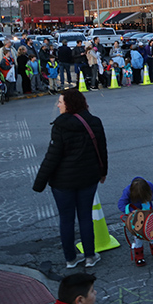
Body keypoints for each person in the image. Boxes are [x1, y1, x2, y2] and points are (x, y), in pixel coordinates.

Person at [33, 89, 107, 269]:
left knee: (66, 219)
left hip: (62, 182)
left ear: (69, 104)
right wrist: (103, 172)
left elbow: (52, 157)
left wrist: (39, 183)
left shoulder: (60, 126)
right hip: (88, 179)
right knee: (85, 217)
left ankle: (71, 259)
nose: (58, 105)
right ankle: (90, 256)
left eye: (60, 102)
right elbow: (102, 150)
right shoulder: (94, 122)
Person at [117, 177, 153, 266]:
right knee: (138, 236)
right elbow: (121, 204)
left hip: (148, 215)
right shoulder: (127, 191)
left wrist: (148, 198)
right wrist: (130, 211)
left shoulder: (149, 186)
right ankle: (139, 256)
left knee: (151, 233)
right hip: (136, 218)